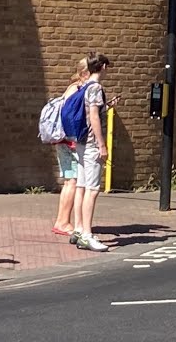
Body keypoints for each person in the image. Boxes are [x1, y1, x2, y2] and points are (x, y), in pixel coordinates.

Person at [70, 52, 117, 252]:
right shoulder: (96, 87)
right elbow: (94, 118)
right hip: (91, 144)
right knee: (93, 189)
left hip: (80, 142)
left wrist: (107, 106)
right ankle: (87, 235)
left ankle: (79, 229)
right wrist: (102, 144)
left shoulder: (85, 86)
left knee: (81, 185)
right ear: (103, 67)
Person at [53, 55, 89, 236]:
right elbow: (71, 116)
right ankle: (63, 222)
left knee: (70, 181)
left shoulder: (72, 88)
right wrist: (74, 139)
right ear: (84, 73)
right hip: (70, 142)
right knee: (72, 182)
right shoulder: (77, 89)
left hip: (64, 141)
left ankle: (62, 220)